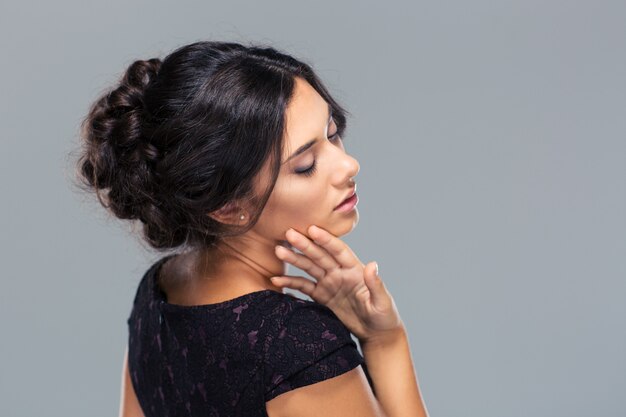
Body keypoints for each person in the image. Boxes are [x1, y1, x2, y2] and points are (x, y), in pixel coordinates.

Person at [75, 40, 429, 417]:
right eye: (306, 164)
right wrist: (386, 341)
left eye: (332, 133)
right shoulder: (295, 348)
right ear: (228, 207)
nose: (348, 165)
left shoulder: (157, 292)